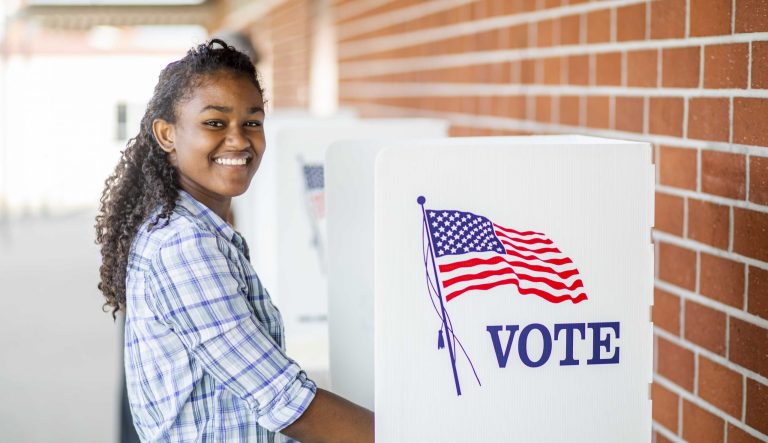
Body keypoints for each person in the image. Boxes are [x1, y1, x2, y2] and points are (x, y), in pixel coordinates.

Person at [94, 39, 374, 442]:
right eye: (215, 123)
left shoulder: (198, 227)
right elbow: (285, 400)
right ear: (167, 134)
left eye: (252, 122)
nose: (239, 140)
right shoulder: (184, 246)